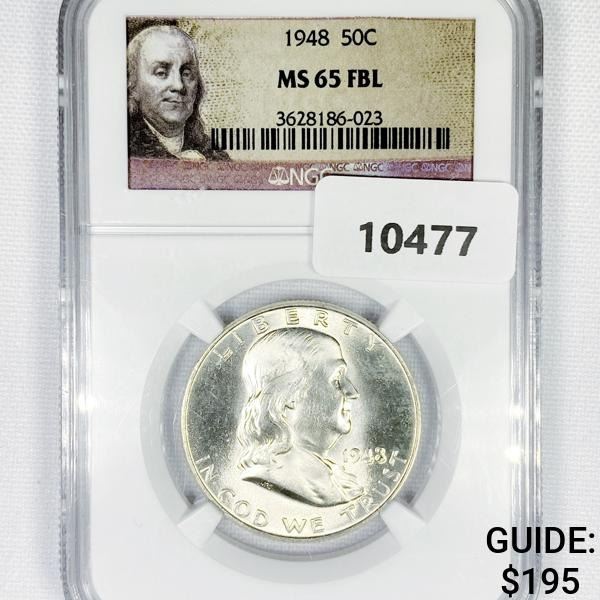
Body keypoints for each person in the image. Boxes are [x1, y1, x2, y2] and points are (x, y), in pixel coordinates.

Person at [236, 328, 364, 507]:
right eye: (337, 380)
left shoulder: (335, 480)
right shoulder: (275, 477)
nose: (352, 392)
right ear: (289, 394)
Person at [127, 25, 228, 161]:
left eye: (186, 73)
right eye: (161, 73)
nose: (178, 85)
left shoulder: (216, 157)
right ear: (132, 84)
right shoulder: (124, 150)